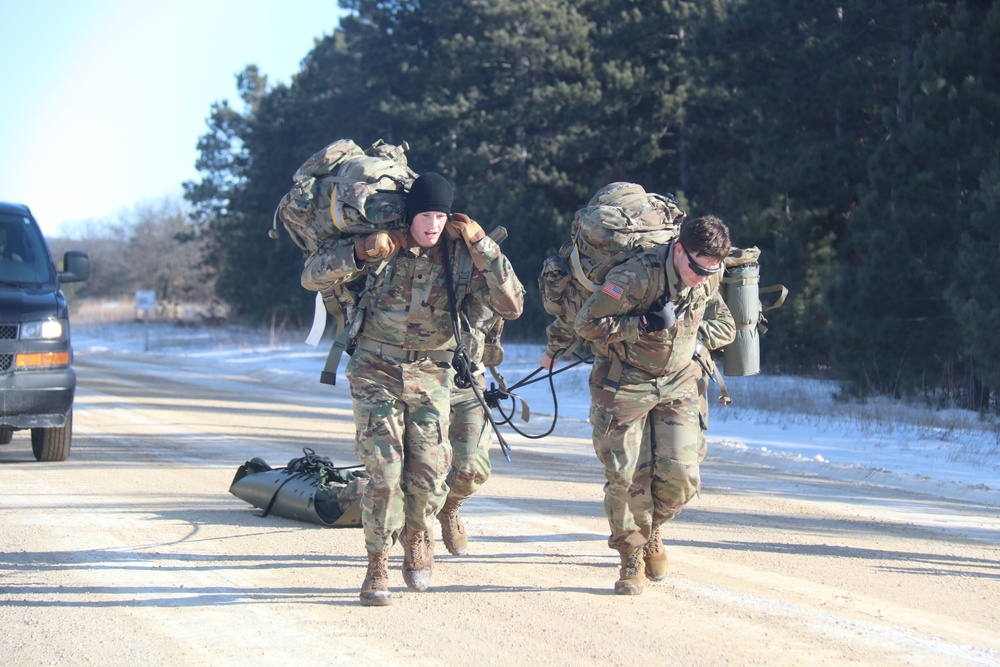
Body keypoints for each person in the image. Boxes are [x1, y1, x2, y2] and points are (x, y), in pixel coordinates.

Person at [301, 172, 524, 606]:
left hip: (432, 374)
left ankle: (419, 533)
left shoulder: (462, 254)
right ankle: (377, 564)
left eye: (441, 215)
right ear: (411, 214)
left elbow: (512, 304)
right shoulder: (383, 244)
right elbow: (312, 276)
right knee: (384, 472)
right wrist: (360, 251)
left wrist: (483, 246)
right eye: (426, 215)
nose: (434, 224)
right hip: (374, 368)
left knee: (429, 474)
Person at [573, 215, 736, 595]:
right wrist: (644, 324)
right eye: (697, 267)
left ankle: (652, 529)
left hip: (678, 381)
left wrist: (692, 337)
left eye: (711, 269)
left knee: (681, 476)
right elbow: (586, 325)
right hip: (625, 381)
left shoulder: (709, 273)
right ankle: (630, 556)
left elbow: (724, 322)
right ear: (678, 250)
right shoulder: (636, 277)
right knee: (626, 477)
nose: (703, 276)